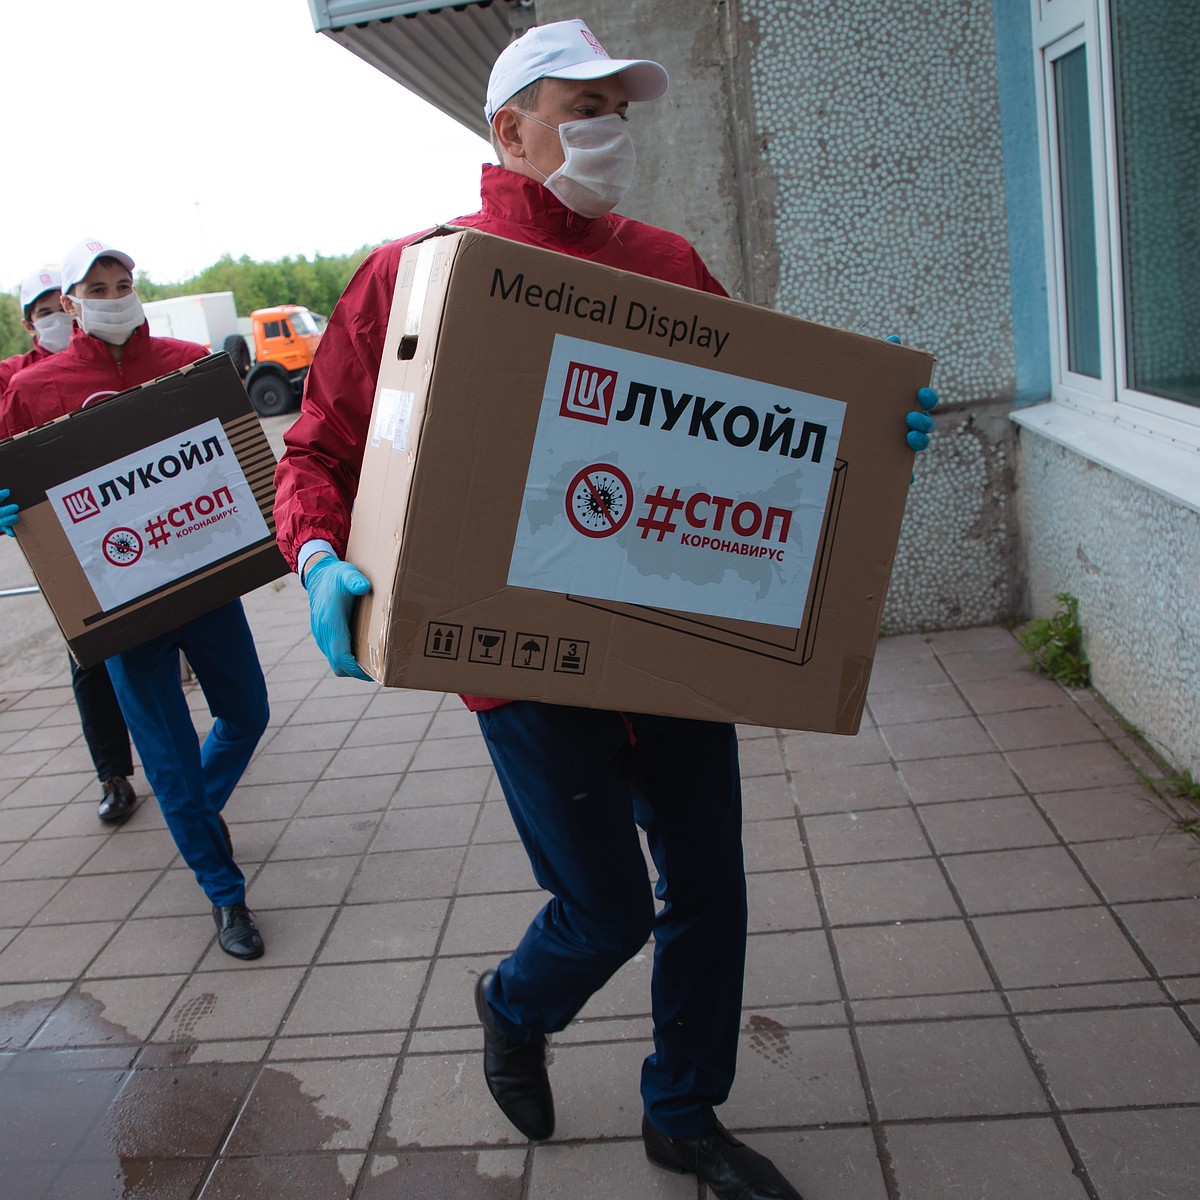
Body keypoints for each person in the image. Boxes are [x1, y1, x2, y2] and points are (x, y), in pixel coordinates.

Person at [273, 20, 937, 1200]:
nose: (609, 132)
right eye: (583, 109)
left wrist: (869, 422)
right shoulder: (420, 269)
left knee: (711, 889)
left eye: (620, 110)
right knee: (604, 909)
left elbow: (763, 420)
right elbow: (317, 450)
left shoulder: (668, 263)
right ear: (510, 129)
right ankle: (512, 1002)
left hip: (664, 640)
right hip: (521, 661)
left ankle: (682, 1112)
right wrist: (320, 555)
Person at [1, 239, 271, 960]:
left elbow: (237, 452)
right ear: (69, 302)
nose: (116, 295)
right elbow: (18, 480)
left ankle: (194, 816)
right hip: (119, 604)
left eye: (125, 282)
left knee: (248, 714)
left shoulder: (188, 364)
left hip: (202, 583)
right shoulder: (33, 390)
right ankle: (225, 895)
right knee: (170, 760)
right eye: (100, 286)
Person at [1, 267, 139, 823]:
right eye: (42, 313)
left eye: (59, 307)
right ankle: (113, 775)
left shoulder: (109, 357)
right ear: (29, 321)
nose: (56, 320)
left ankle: (178, 759)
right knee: (90, 656)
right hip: (66, 546)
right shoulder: (15, 380)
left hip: (134, 530)